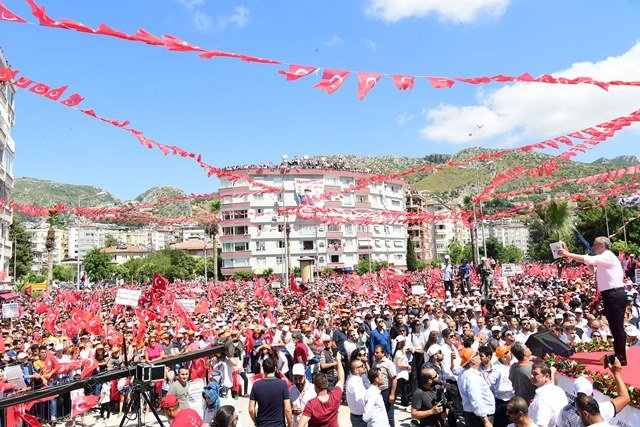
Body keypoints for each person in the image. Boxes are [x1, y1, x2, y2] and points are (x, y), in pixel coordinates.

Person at [558, 237, 627, 365]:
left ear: (602, 246)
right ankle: (619, 354)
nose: (593, 247)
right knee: (614, 326)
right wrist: (572, 256)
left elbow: (588, 259)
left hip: (614, 294)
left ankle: (621, 357)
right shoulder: (603, 259)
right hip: (609, 294)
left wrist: (568, 254)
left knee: (617, 327)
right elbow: (592, 270)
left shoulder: (607, 255)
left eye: (595, 245)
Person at [556, 356, 629, 427]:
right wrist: (617, 374)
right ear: (592, 394)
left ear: (574, 392)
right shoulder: (601, 410)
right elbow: (625, 398)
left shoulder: (565, 411)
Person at [298, 352, 345, 427]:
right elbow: (341, 379)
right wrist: (338, 360)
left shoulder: (311, 404)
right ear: (326, 384)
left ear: (315, 387)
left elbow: (300, 425)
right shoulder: (335, 396)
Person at [249, 357, 293, 427]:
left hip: (262, 424)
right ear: (275, 368)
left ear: (263, 369)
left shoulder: (256, 385)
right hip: (279, 424)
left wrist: (256, 422)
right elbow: (287, 409)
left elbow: (251, 410)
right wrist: (290, 425)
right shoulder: (282, 384)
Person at [457, 348, 495, 427]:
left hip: (474, 415)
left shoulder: (465, 373)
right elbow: (476, 399)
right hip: (479, 418)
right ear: (473, 360)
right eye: (477, 354)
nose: (479, 356)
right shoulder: (472, 377)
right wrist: (486, 421)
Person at [527, 362, 567, 427]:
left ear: (547, 376)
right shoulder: (558, 390)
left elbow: (541, 425)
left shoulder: (542, 400)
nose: (531, 376)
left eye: (535, 374)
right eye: (531, 373)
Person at [371, 345, 397, 426]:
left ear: (383, 353)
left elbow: (394, 379)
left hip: (386, 391)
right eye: (375, 352)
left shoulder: (389, 364)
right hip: (377, 392)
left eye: (377, 352)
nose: (375, 354)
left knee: (389, 415)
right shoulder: (375, 362)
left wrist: (392, 394)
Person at [346, 358, 368, 427]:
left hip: (357, 417)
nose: (364, 366)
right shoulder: (356, 383)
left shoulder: (354, 380)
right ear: (356, 370)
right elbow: (360, 400)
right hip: (360, 418)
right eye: (362, 366)